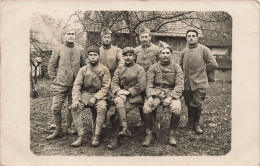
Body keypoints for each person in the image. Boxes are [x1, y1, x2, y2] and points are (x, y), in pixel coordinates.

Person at [46, 29, 87, 140]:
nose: (70, 36)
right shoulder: (58, 50)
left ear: (75, 36)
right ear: (64, 36)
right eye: (68, 34)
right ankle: (58, 129)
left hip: (75, 85)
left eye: (72, 34)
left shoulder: (80, 50)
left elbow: (85, 67)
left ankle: (68, 127)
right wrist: (55, 79)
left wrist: (81, 81)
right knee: (55, 108)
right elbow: (51, 67)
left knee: (72, 107)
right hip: (60, 84)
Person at [142, 41, 184, 147]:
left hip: (171, 93)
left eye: (167, 53)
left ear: (171, 54)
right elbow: (149, 84)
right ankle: (149, 134)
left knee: (177, 108)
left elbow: (179, 85)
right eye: (163, 53)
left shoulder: (177, 67)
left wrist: (170, 98)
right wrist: (150, 96)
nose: (165, 55)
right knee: (147, 108)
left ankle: (172, 135)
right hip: (156, 92)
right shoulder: (153, 67)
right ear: (159, 55)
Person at [70, 45, 111, 147]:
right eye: (90, 55)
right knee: (75, 108)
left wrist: (96, 97)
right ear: (88, 57)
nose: (92, 57)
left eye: (95, 55)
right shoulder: (83, 69)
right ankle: (81, 136)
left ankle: (96, 135)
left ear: (98, 56)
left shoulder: (104, 69)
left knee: (102, 108)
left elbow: (106, 87)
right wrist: (76, 99)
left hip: (99, 95)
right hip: (85, 95)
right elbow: (77, 85)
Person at [179, 29, 218, 134]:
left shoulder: (204, 49)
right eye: (189, 36)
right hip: (186, 84)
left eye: (193, 36)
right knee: (188, 103)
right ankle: (189, 122)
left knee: (197, 103)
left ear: (197, 37)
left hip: (200, 83)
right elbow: (180, 66)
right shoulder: (184, 52)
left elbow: (213, 64)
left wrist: (204, 72)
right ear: (186, 38)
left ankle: (196, 124)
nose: (191, 37)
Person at [107, 47, 146, 150]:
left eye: (130, 55)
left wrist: (128, 93)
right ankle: (124, 127)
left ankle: (116, 137)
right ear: (123, 57)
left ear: (134, 57)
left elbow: (141, 85)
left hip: (135, 96)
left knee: (120, 111)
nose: (128, 58)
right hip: (120, 95)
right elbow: (114, 83)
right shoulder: (119, 69)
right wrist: (119, 92)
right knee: (119, 101)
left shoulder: (139, 69)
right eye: (126, 55)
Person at [134, 24, 160, 127]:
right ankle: (143, 120)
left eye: (146, 36)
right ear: (139, 38)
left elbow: (160, 64)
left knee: (152, 98)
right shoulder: (136, 50)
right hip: (140, 79)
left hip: (153, 79)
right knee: (141, 98)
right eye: (142, 37)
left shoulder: (157, 49)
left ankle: (154, 120)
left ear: (150, 37)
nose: (144, 39)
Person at [99, 27, 124, 127]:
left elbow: (122, 61)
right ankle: (103, 120)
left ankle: (118, 118)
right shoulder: (98, 50)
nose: (107, 39)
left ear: (111, 38)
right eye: (105, 37)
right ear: (101, 38)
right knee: (103, 98)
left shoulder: (117, 50)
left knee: (117, 97)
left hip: (115, 78)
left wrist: (117, 72)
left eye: (108, 37)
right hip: (101, 79)